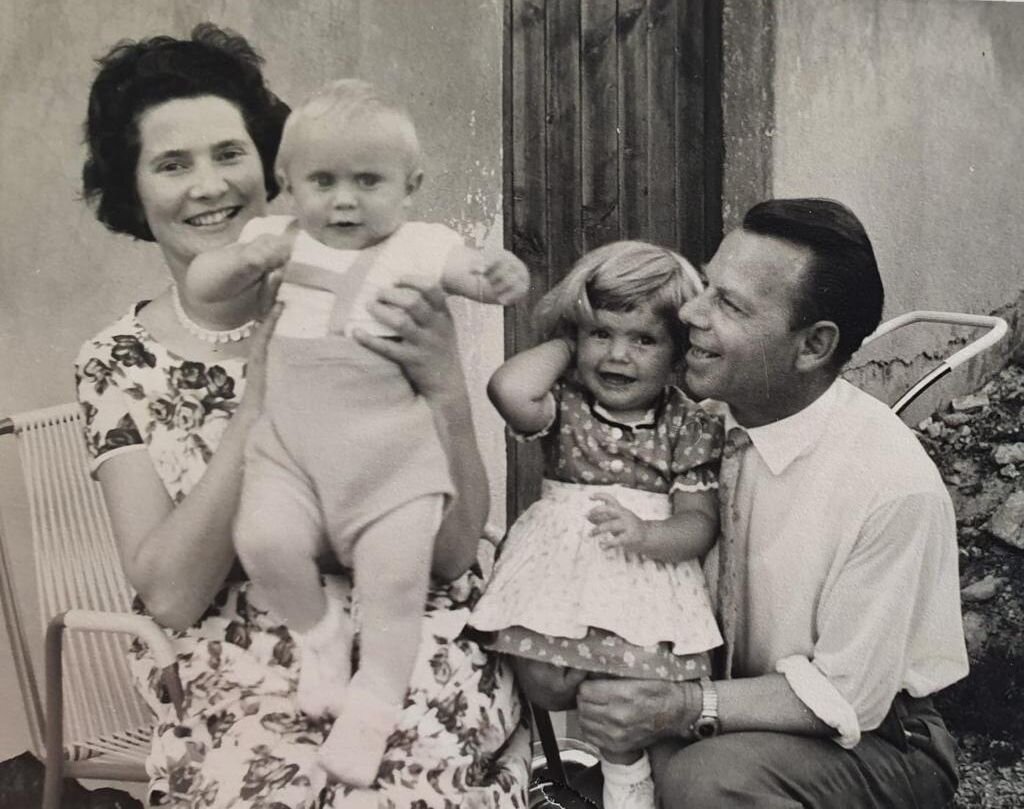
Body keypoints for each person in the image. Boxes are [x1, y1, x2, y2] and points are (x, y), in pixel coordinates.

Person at [73, 24, 530, 808]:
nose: (209, 185)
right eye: (173, 164)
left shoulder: (382, 296)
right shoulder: (118, 361)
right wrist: (259, 399)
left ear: (271, 165)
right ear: (133, 189)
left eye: (229, 153)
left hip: (409, 640)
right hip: (238, 675)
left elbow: (454, 552)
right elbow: (172, 595)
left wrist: (446, 389)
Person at [517, 198, 969, 808]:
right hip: (727, 709)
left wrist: (682, 705)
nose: (689, 311)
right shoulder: (687, 424)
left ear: (813, 346)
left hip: (875, 739)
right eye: (706, 286)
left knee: (703, 782)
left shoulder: (890, 485)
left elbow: (849, 695)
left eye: (728, 305)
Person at [182, 77, 530, 787]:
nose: (344, 201)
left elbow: (472, 274)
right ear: (287, 183)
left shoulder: (418, 244)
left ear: (411, 186)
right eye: (323, 181)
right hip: (291, 454)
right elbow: (203, 284)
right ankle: (321, 634)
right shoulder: (270, 240)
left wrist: (499, 273)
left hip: (389, 459)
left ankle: (372, 704)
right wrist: (246, 259)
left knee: (395, 581)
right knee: (263, 539)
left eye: (368, 181)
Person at [469, 241, 723, 809]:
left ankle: (626, 784)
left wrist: (647, 535)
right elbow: (507, 389)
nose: (618, 355)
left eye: (644, 340)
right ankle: (542, 774)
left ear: (677, 352)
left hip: (641, 580)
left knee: (624, 701)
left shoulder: (685, 424)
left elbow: (698, 524)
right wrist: (569, 338)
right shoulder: (565, 404)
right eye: (601, 334)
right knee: (545, 683)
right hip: (558, 582)